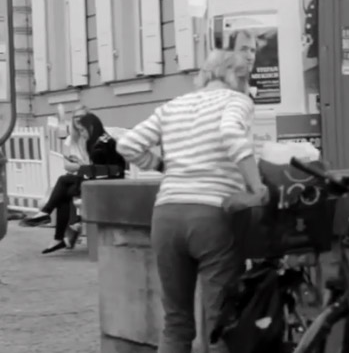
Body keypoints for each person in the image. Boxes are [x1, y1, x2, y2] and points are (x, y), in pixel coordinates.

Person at [115, 50, 269, 353]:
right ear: (238, 77)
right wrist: (257, 185)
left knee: (176, 322)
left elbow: (128, 145)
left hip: (167, 216)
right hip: (212, 217)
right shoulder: (237, 101)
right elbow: (231, 134)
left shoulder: (173, 105)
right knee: (220, 323)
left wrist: (161, 165)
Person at [22, 113, 128, 254]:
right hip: (101, 179)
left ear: (91, 127)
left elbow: (103, 169)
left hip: (108, 182)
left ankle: (48, 217)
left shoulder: (103, 143)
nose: (82, 134)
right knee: (64, 193)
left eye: (83, 130)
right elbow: (98, 168)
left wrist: (83, 165)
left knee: (63, 181)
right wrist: (82, 164)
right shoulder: (99, 141)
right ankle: (58, 236)